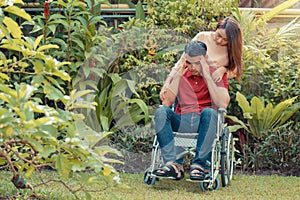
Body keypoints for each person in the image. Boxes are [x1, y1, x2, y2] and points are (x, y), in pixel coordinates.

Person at [153, 40, 230, 181]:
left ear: (205, 59)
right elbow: (167, 102)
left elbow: (222, 104)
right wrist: (178, 76)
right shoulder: (182, 73)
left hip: (205, 123)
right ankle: (172, 164)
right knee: (161, 111)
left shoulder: (216, 74)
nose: (193, 67)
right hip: (183, 122)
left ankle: (199, 165)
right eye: (189, 62)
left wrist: (207, 75)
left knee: (210, 112)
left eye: (197, 63)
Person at [160, 17, 242, 102]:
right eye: (219, 35)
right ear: (216, 28)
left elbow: (235, 70)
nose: (219, 40)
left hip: (209, 90)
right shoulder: (202, 37)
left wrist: (223, 69)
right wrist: (167, 82)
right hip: (189, 83)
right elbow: (182, 61)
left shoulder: (231, 49)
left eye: (225, 40)